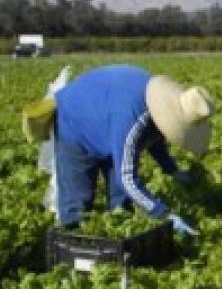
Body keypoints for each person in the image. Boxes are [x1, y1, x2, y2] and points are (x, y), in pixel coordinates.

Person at [49, 65, 212, 235]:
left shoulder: (157, 106)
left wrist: (172, 169)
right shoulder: (133, 118)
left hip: (108, 116)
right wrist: (163, 214)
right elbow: (126, 178)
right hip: (75, 119)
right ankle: (74, 246)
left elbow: (154, 138)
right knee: (78, 202)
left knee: (121, 204)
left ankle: (118, 241)